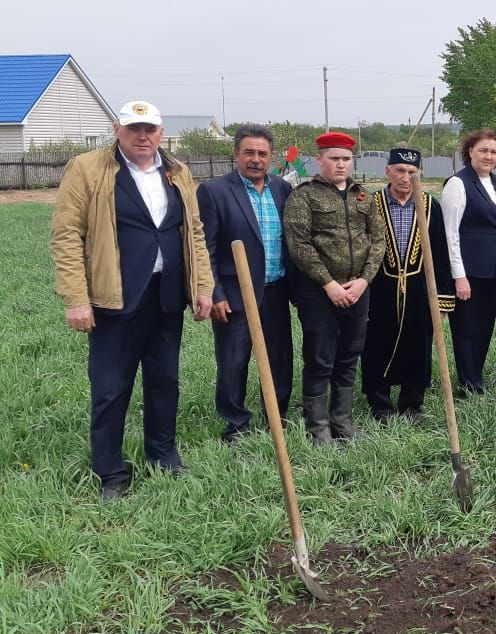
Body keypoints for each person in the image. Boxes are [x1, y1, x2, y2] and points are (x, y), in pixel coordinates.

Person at [49, 101, 213, 500]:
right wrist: (76, 297)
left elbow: (193, 231)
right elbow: (67, 235)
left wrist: (203, 286)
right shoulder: (89, 168)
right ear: (117, 129)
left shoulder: (176, 171)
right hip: (113, 297)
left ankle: (163, 456)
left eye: (150, 129)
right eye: (134, 128)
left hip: (166, 294)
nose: (143, 137)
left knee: (165, 382)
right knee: (110, 388)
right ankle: (111, 473)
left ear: (161, 133)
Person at [284, 131, 385, 445]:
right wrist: (329, 284)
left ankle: (342, 420)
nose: (341, 165)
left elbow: (378, 241)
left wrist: (364, 280)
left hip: (357, 289)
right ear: (320, 160)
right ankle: (318, 426)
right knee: (320, 357)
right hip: (319, 292)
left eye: (345, 159)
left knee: (349, 355)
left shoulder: (364, 197)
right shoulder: (304, 196)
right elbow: (299, 245)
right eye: (334, 159)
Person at [197, 124, 295, 443]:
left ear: (271, 157)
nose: (256, 159)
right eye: (249, 152)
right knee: (233, 361)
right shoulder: (215, 191)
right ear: (236, 154)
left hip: (276, 291)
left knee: (280, 358)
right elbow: (206, 247)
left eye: (262, 153)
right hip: (236, 294)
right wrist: (215, 293)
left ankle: (276, 416)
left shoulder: (282, 189)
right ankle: (235, 424)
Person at [361, 148, 454, 424]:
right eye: (400, 171)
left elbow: (439, 252)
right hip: (379, 288)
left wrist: (443, 298)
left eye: (412, 172)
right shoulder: (371, 203)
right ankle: (380, 404)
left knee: (418, 345)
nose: (406, 178)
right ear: (387, 171)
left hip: (418, 290)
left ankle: (412, 405)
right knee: (377, 343)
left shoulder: (428, 204)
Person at [441, 130, 496, 395]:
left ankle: (475, 376)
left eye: (494, 152)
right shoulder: (458, 184)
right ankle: (468, 384)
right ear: (470, 151)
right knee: (467, 328)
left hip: (493, 270)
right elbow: (450, 233)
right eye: (483, 150)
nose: (488, 156)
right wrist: (459, 275)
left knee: (485, 326)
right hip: (468, 271)